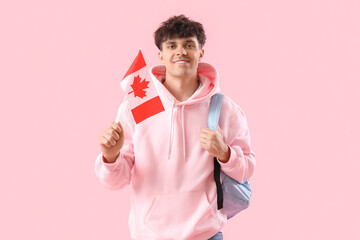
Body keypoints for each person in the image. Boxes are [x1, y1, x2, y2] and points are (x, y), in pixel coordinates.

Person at [95, 15, 256, 240]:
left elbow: (247, 168)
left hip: (205, 235)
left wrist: (225, 154)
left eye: (189, 45)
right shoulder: (139, 105)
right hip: (149, 235)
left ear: (201, 52)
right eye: (172, 46)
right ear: (161, 55)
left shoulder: (223, 109)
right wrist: (110, 157)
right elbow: (115, 181)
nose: (180, 52)